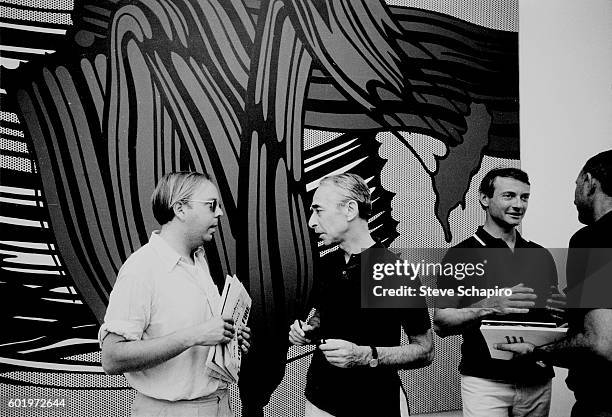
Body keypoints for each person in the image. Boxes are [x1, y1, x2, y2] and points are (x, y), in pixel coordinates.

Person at [99, 172, 251, 417]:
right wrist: (194, 336)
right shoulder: (141, 269)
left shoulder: (198, 260)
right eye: (212, 205)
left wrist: (228, 336)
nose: (220, 213)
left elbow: (202, 333)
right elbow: (112, 358)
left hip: (220, 404)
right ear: (180, 209)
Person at [288, 173, 433, 417]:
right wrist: (307, 330)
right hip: (319, 401)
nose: (311, 222)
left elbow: (424, 350)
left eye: (318, 211)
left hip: (374, 404)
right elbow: (325, 315)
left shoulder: (395, 272)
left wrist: (366, 356)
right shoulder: (326, 265)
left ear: (350, 209)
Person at [433, 167, 560, 417]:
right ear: (484, 198)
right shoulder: (461, 254)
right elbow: (441, 323)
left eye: (524, 197)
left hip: (537, 378)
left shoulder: (540, 254)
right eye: (509, 196)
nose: (518, 205)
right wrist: (490, 305)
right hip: (485, 382)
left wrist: (561, 312)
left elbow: (554, 319)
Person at [496, 150, 612, 417]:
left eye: (575, 185)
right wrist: (575, 308)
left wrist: (538, 351)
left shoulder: (592, 238)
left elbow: (601, 342)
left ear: (589, 182)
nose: (518, 205)